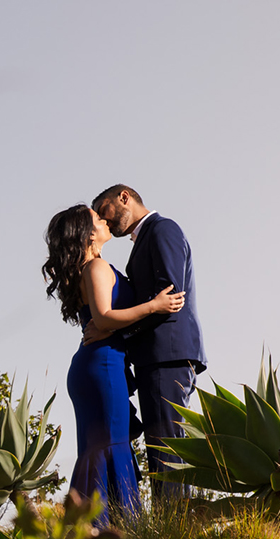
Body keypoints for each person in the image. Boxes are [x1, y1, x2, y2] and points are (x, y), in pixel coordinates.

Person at [43, 205, 184, 519]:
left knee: (104, 448)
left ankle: (97, 531)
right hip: (102, 367)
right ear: (88, 233)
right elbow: (104, 318)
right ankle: (113, 531)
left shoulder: (92, 268)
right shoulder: (96, 268)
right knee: (110, 446)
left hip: (100, 365)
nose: (104, 221)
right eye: (97, 218)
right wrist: (155, 305)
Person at [86, 184, 206, 502]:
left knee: (167, 445)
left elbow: (170, 295)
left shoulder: (162, 228)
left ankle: (176, 531)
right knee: (161, 443)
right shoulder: (143, 241)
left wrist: (116, 331)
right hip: (155, 356)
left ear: (124, 197)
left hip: (166, 354)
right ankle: (171, 528)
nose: (103, 219)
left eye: (104, 209)